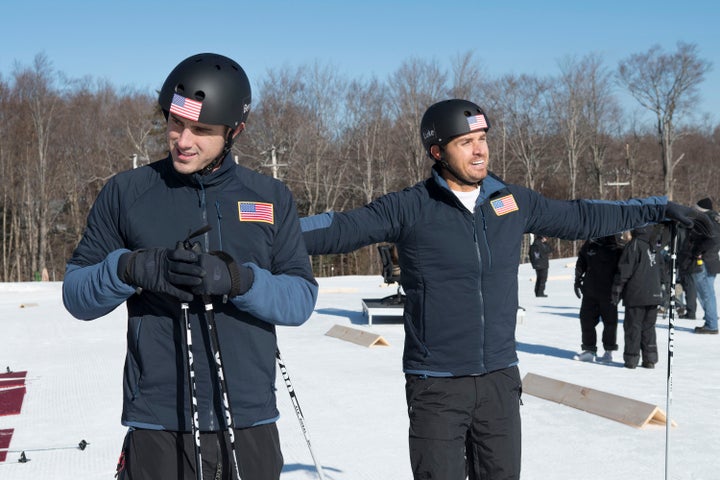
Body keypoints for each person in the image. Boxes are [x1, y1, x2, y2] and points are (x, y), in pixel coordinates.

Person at [299, 98, 705, 480]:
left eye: (482, 140)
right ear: (438, 152)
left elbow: (581, 215)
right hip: (436, 384)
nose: (479, 151)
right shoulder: (410, 208)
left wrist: (659, 207)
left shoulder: (509, 201)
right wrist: (260, 236)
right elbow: (339, 228)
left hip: (499, 379)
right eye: (466, 143)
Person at [62, 53, 318, 480]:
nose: (183, 140)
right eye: (176, 123)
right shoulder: (128, 193)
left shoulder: (270, 197)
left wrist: (239, 279)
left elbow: (299, 300)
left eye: (202, 130)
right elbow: (76, 295)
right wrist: (130, 269)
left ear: (234, 132)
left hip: (249, 420)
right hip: (159, 422)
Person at [611, 226, 664, 369]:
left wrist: (616, 290)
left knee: (633, 326)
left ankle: (631, 359)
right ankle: (650, 358)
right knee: (648, 327)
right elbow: (662, 269)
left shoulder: (634, 245)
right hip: (654, 293)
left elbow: (624, 270)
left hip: (637, 294)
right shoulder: (655, 245)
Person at [573, 235, 624, 363]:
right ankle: (589, 350)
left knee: (610, 322)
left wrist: (619, 287)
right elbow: (581, 261)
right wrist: (577, 279)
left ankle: (608, 351)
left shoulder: (616, 247)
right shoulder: (590, 244)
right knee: (586, 319)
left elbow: (622, 269)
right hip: (590, 290)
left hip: (609, 291)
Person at [688, 197, 720, 334]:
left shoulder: (707, 220)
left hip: (705, 262)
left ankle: (711, 325)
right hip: (711, 260)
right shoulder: (715, 219)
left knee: (706, 294)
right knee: (708, 293)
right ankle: (710, 321)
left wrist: (698, 250)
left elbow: (713, 239)